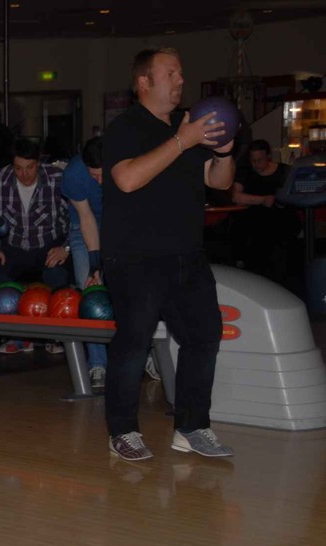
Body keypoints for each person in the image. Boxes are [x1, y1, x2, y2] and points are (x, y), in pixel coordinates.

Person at [103, 47, 236, 461]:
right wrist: (183, 140)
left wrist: (224, 152)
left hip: (187, 255)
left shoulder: (187, 127)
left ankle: (192, 427)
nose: (181, 81)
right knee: (134, 343)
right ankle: (123, 431)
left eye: (181, 73)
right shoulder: (125, 127)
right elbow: (127, 179)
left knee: (204, 337)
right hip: (136, 258)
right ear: (144, 82)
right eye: (171, 74)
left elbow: (219, 182)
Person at [0, 138, 69, 354]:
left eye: (30, 167)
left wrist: (66, 248)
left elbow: (76, 219)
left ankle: (55, 336)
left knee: (58, 276)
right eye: (18, 168)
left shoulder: (57, 179)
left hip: (49, 246)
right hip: (13, 246)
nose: (24, 174)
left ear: (39, 162)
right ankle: (18, 336)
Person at [61, 137, 107, 388]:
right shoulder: (74, 175)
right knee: (90, 288)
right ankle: (97, 364)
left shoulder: (126, 163)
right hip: (83, 227)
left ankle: (144, 356)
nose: (99, 182)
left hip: (119, 224)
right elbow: (86, 218)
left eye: (103, 175)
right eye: (94, 176)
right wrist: (95, 265)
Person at [230, 139, 299, 284]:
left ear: (268, 156)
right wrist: (262, 200)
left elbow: (293, 194)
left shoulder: (284, 171)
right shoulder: (245, 171)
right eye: (253, 160)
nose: (256, 164)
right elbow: (235, 196)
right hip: (252, 221)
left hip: (280, 220)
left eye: (259, 160)